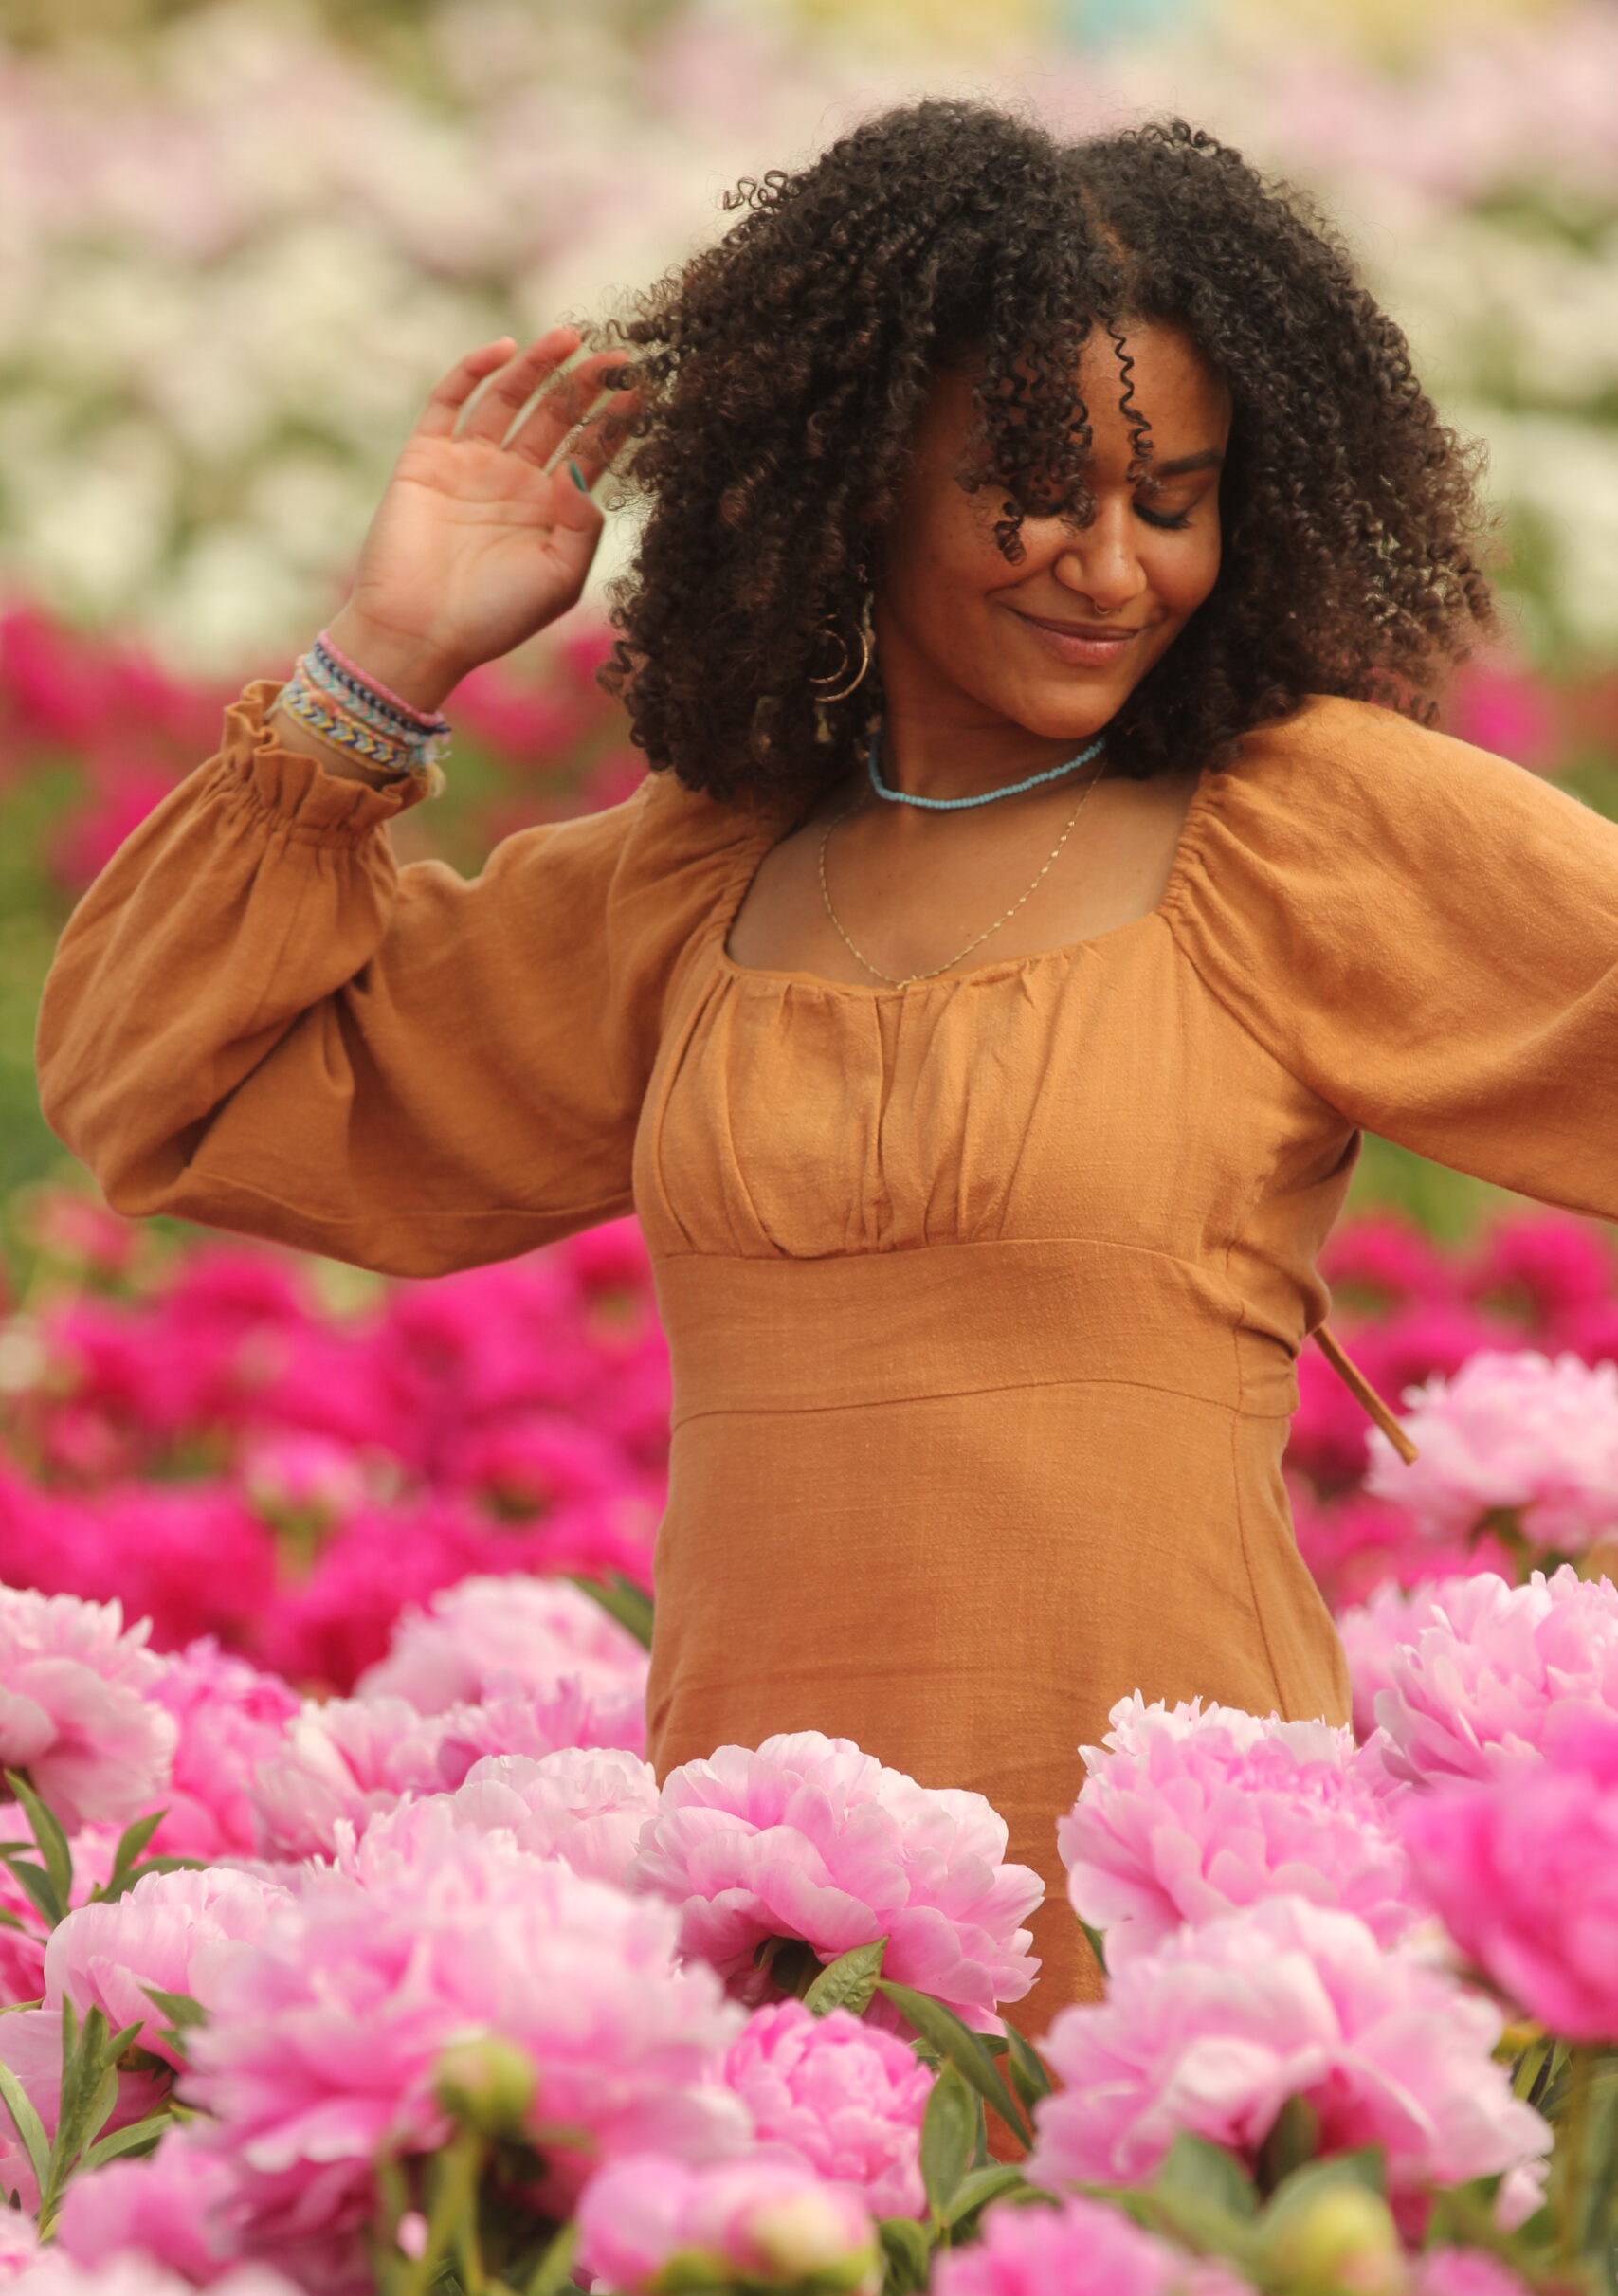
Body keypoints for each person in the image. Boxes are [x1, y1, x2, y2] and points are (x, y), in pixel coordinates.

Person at [35, 102, 1618, 2035]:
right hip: (762, 1950)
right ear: (858, 480)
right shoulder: (702, 874)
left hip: (1179, 1938)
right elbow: (160, 1086)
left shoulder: (1302, 827)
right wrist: (383, 660)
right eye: (1027, 491)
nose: (1109, 566)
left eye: (1171, 499)